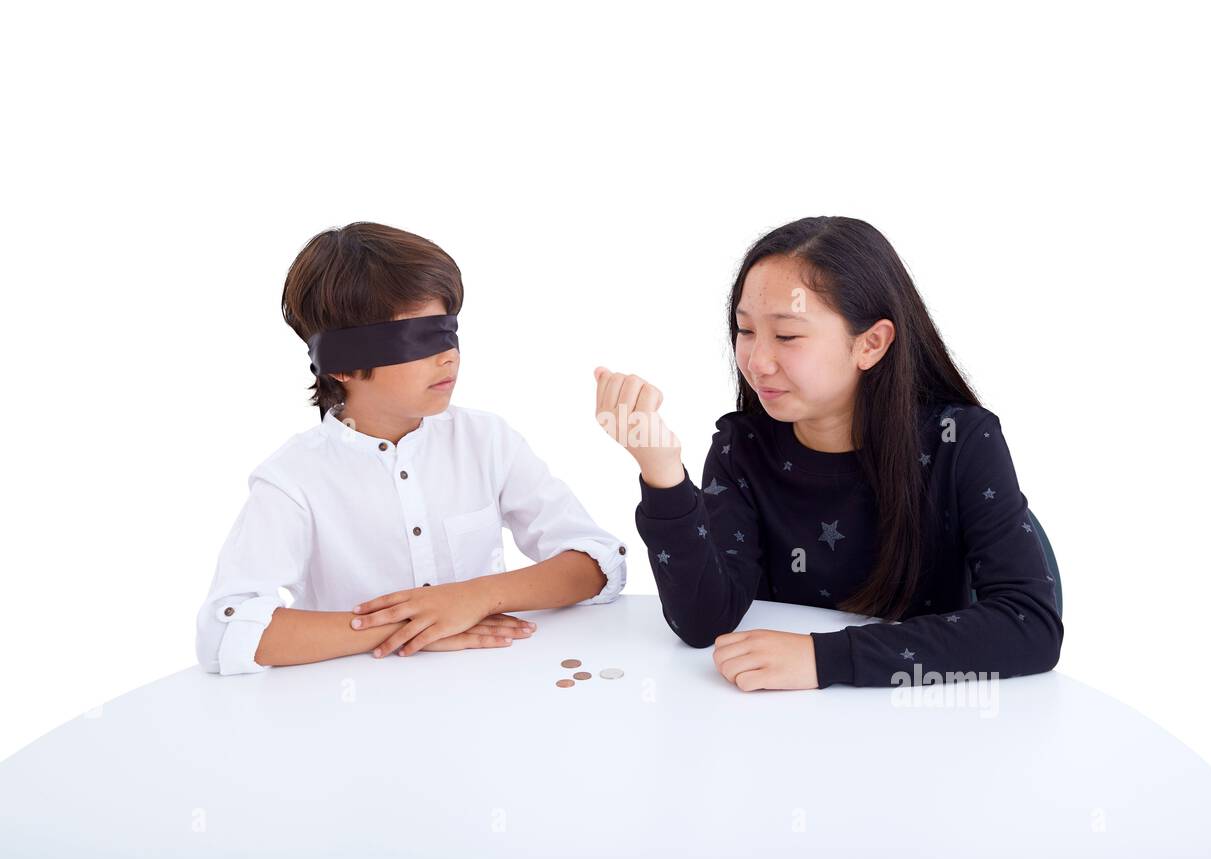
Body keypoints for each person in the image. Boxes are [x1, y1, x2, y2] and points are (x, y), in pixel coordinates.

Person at [593, 216, 1062, 691]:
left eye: (788, 335)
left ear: (871, 343)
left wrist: (824, 659)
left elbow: (1030, 626)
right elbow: (701, 622)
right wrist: (663, 474)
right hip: (785, 725)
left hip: (922, 728)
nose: (757, 362)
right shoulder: (743, 449)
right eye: (746, 330)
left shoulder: (959, 441)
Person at [196, 222, 626, 675]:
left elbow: (597, 564)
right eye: (418, 339)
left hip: (489, 692)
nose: (449, 357)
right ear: (342, 364)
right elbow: (224, 632)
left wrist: (471, 597)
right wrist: (410, 626)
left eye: (448, 333)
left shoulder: (487, 441)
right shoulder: (294, 479)